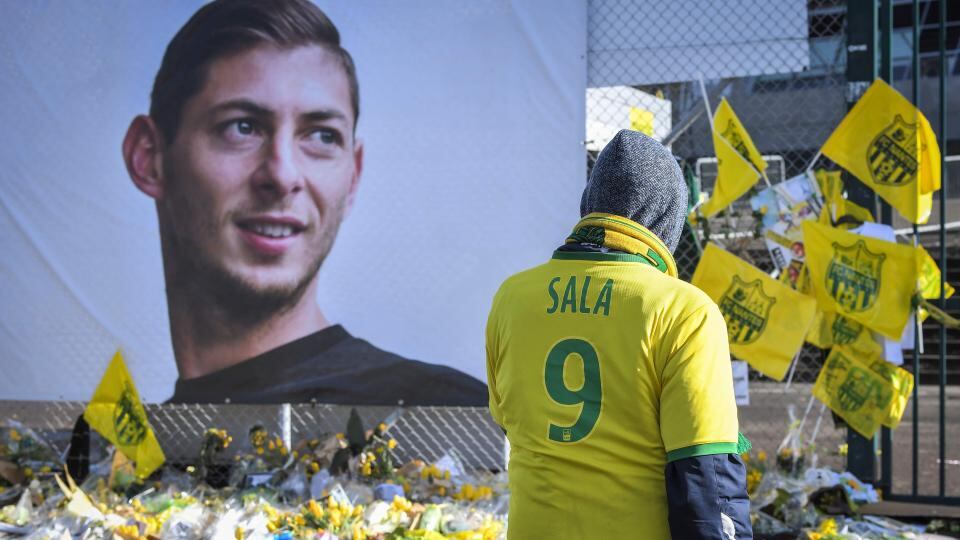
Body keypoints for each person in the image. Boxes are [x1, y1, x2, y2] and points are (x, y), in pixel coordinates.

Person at [122, 0, 486, 406]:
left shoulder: (453, 421)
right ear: (149, 157)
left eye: (321, 136)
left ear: (353, 175)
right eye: (242, 127)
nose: (282, 176)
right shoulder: (119, 456)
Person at [485, 130, 751, 539]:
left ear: (589, 204)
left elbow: (511, 423)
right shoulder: (685, 311)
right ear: (669, 220)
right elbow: (708, 481)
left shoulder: (511, 298)